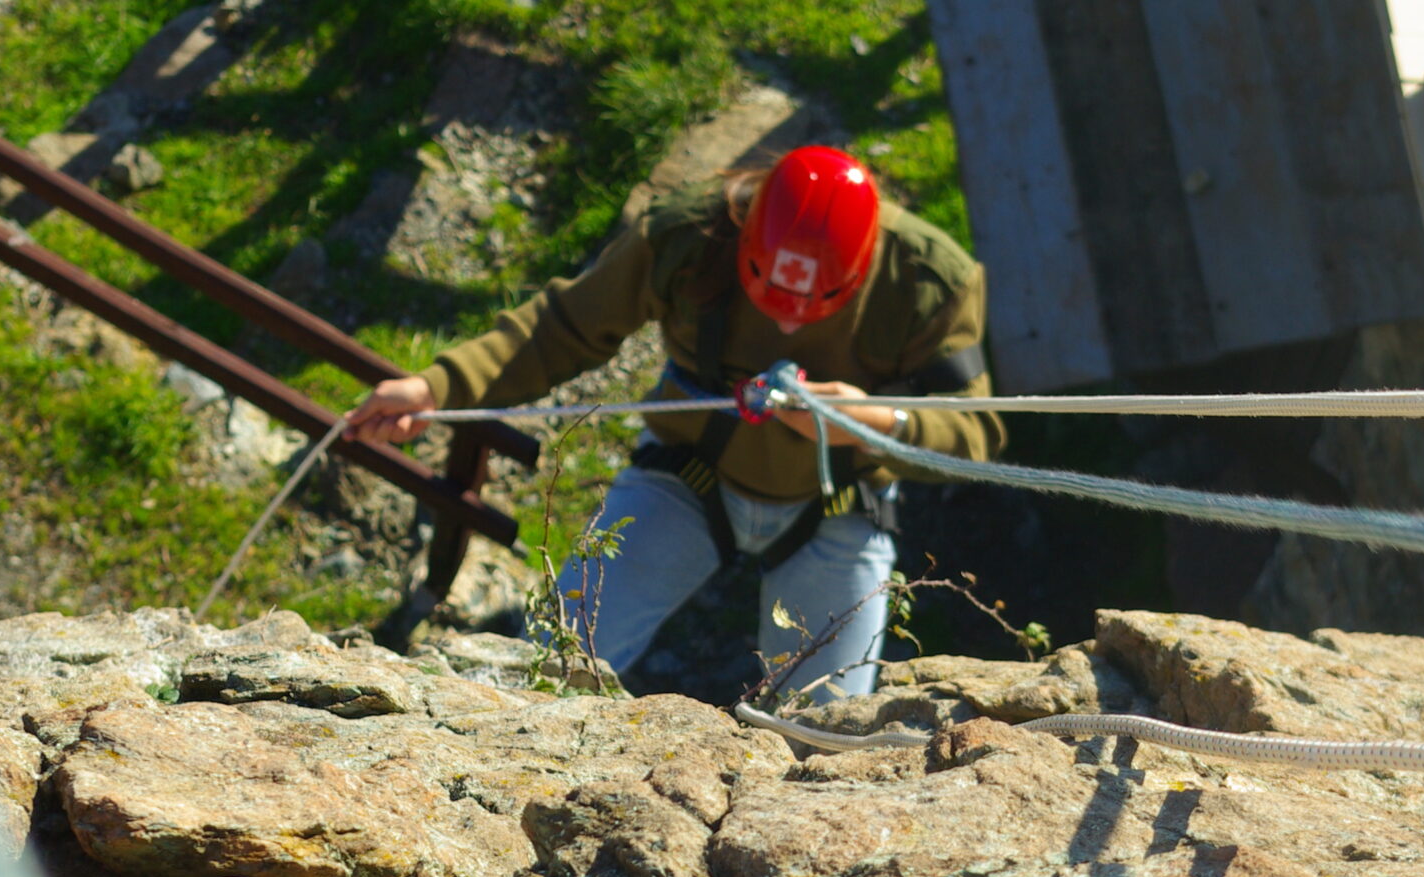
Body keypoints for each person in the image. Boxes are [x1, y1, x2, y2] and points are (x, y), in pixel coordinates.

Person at [345, 146, 1002, 700]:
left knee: (824, 732)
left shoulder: (928, 283)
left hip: (838, 501)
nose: (790, 322)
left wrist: (867, 421)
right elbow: (563, 329)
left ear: (861, 269)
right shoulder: (689, 236)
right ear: (747, 238)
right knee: (547, 671)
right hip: (691, 477)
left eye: (817, 304)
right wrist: (436, 387)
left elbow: (974, 437)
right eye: (769, 291)